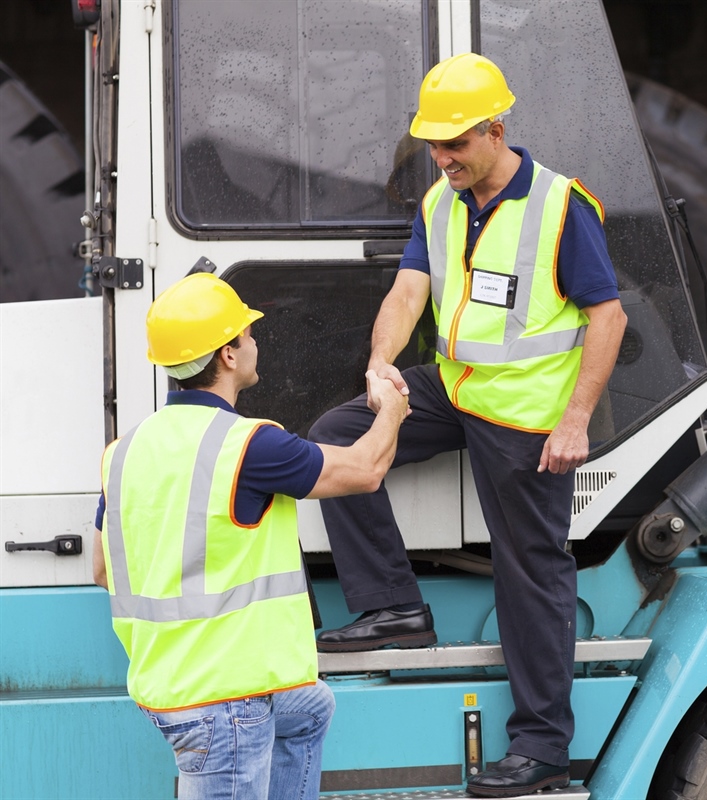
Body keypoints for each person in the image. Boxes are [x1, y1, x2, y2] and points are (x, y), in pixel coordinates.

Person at [308, 53, 627, 798]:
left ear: (495, 130)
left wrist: (574, 419)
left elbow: (607, 316)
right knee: (336, 434)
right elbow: (408, 288)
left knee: (531, 573)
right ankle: (392, 607)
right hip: (453, 388)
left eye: (454, 143)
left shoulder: (559, 206)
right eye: (433, 145)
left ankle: (542, 746)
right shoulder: (439, 202)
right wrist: (381, 366)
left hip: (525, 413)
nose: (442, 158)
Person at [92, 272, 409, 800]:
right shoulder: (251, 446)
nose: (256, 341)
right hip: (224, 707)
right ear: (229, 355)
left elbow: (103, 571)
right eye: (248, 333)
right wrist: (393, 408)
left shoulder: (124, 451)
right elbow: (366, 469)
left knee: (309, 709)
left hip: (169, 688)